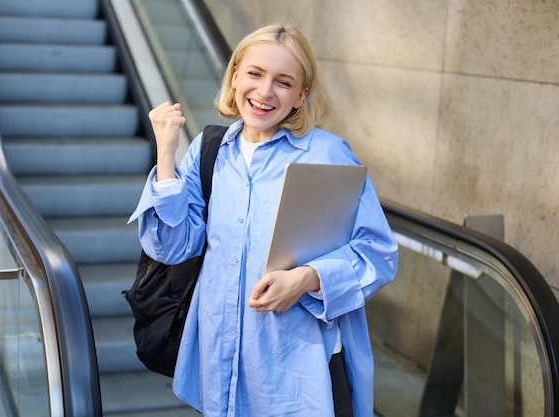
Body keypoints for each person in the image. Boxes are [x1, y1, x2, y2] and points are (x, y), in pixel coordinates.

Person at [128, 23, 398, 417]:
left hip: (297, 379)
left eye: (284, 82)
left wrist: (307, 279)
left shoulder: (327, 154)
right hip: (221, 369)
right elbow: (173, 246)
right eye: (255, 73)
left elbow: (378, 254)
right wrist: (166, 156)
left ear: (301, 95)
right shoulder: (210, 150)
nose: (265, 91)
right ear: (235, 74)